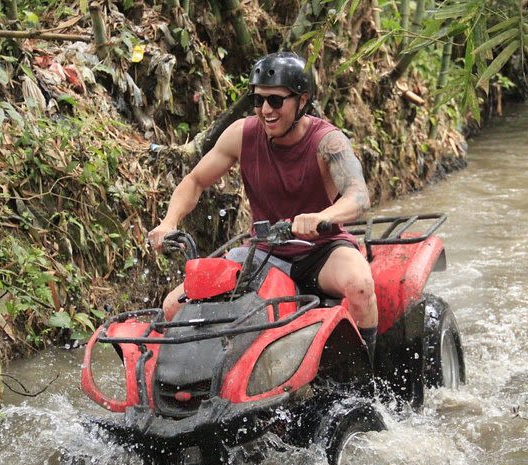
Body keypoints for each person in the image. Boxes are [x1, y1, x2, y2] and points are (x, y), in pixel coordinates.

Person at [147, 51, 378, 358]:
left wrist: (322, 216)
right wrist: (169, 222)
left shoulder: (328, 142)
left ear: (302, 100)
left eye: (276, 101)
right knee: (174, 305)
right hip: (263, 252)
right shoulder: (242, 134)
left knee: (360, 285)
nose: (266, 110)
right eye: (258, 101)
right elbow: (195, 181)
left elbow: (358, 195)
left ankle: (369, 379)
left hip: (321, 251)